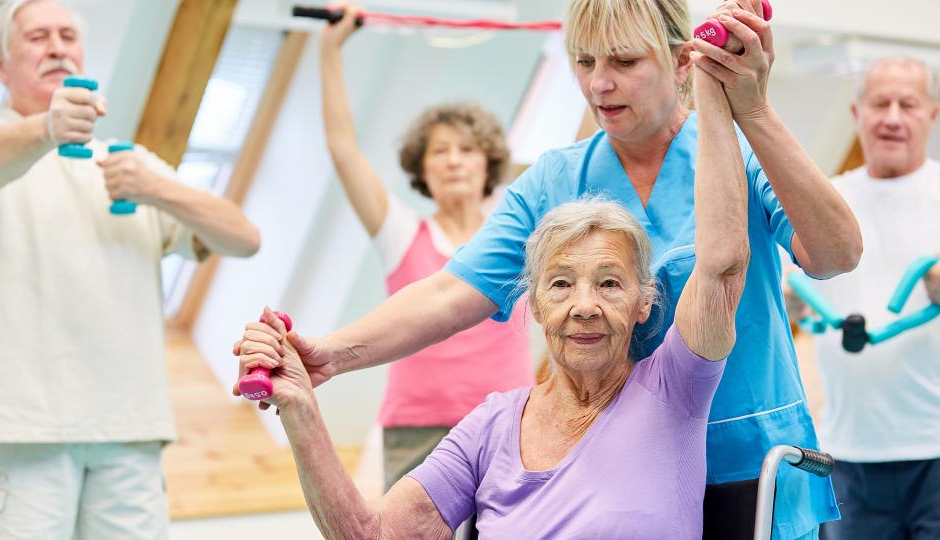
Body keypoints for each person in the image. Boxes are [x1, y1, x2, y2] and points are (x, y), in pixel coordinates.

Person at [236, 0, 863, 537]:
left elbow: (835, 254)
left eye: (623, 61)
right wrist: (330, 356)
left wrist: (750, 109)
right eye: (584, 62)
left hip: (745, 460)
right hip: (619, 465)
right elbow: (452, 291)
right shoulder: (555, 180)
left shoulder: (734, 152)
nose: (599, 85)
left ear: (680, 62)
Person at [0, 1, 260, 538]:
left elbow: (244, 238)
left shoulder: (129, 164)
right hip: (22, 435)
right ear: (0, 65)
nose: (57, 46)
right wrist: (47, 128)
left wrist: (159, 188)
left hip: (131, 431)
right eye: (37, 37)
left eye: (67, 35)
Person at [318, 11, 534, 490]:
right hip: (416, 424)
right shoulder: (401, 233)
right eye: (439, 151)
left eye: (466, 148)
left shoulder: (514, 225)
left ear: (488, 161)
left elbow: (585, 143)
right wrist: (330, 51)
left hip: (509, 418)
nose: (453, 159)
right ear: (422, 168)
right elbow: (342, 149)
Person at [784, 57, 940, 540]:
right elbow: (793, 302)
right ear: (856, 112)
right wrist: (792, 305)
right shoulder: (825, 200)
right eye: (879, 103)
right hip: (849, 452)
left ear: (931, 114)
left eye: (907, 104)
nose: (892, 117)